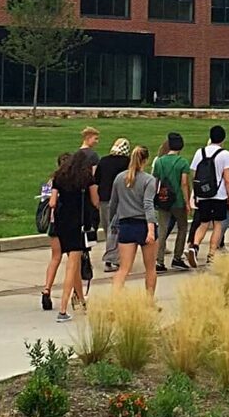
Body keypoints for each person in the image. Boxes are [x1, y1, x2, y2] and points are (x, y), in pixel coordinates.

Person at [51, 150, 97, 322]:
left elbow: (53, 202)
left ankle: (81, 300)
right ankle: (63, 308)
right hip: (79, 224)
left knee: (74, 262)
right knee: (72, 266)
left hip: (63, 224)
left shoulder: (59, 177)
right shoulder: (86, 179)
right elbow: (95, 201)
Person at [109, 145, 160, 301]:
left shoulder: (119, 178)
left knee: (124, 268)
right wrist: (151, 230)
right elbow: (148, 204)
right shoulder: (148, 180)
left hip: (126, 224)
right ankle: (149, 301)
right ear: (146, 160)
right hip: (144, 224)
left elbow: (113, 204)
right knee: (150, 268)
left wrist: (113, 222)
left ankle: (114, 300)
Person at [186, 125, 229, 269]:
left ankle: (194, 246)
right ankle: (211, 255)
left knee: (203, 223)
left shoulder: (200, 152)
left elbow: (194, 175)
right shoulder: (225, 154)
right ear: (223, 139)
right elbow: (227, 178)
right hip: (219, 195)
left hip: (203, 195)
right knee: (218, 225)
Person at [152, 131, 191, 271]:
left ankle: (159, 260)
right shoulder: (183, 162)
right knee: (182, 228)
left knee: (162, 230)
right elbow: (184, 184)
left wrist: (154, 197)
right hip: (178, 200)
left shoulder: (160, 161)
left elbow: (155, 181)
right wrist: (187, 202)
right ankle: (177, 257)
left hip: (163, 199)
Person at [93, 137, 132, 273]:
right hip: (120, 200)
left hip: (104, 199)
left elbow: (96, 180)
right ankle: (112, 258)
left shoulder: (103, 161)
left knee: (108, 228)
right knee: (116, 230)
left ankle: (112, 255)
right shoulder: (127, 163)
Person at [40, 150, 72, 311]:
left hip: (54, 224)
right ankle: (77, 296)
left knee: (55, 257)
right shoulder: (72, 181)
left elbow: (47, 202)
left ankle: (47, 289)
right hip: (68, 224)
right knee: (73, 261)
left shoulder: (51, 181)